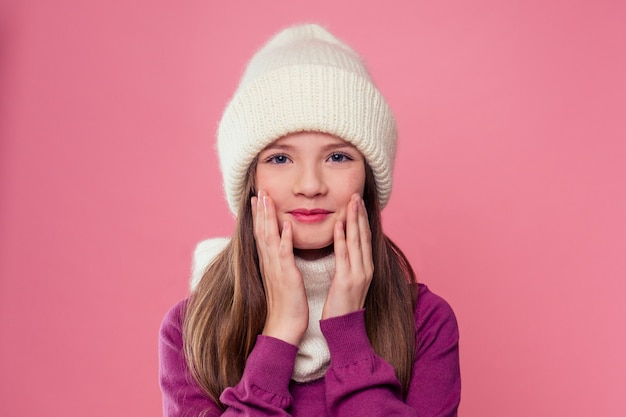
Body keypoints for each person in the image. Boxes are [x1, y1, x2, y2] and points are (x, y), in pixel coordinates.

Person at [159, 23, 461, 416]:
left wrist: (348, 334)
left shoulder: (426, 322)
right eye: (280, 158)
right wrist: (280, 334)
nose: (310, 185)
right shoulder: (190, 329)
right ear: (250, 181)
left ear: (367, 178)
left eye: (338, 157)